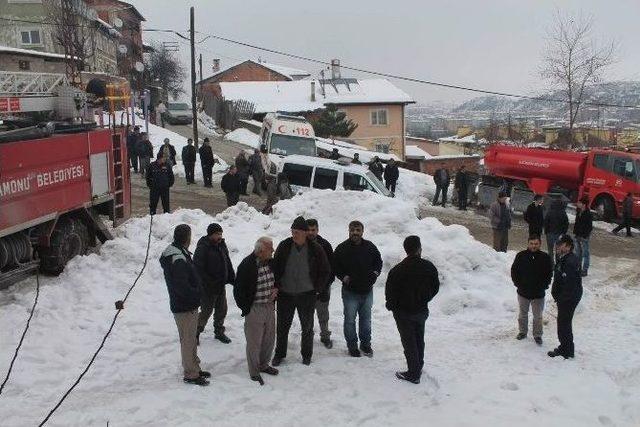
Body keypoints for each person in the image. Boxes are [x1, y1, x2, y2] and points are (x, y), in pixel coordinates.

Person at [271, 216, 331, 366]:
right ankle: (280, 353)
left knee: (307, 327)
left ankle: (306, 354)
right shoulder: (284, 246)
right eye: (292, 231)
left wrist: (317, 289)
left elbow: (325, 270)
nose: (294, 234)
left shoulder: (315, 249)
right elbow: (275, 267)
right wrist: (276, 285)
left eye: (297, 232)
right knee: (283, 326)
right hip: (286, 294)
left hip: (307, 294)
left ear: (305, 233)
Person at [159, 224, 209, 386]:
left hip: (186, 305)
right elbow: (182, 287)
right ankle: (191, 374)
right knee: (188, 340)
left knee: (191, 338)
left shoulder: (178, 252)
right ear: (187, 238)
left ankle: (195, 366)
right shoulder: (177, 258)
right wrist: (196, 296)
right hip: (185, 306)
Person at [385, 236, 439, 385]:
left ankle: (413, 373)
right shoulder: (428, 267)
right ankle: (418, 366)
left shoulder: (397, 270)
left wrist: (392, 306)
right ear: (419, 248)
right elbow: (435, 287)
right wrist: (426, 298)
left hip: (403, 313)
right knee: (419, 338)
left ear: (406, 249)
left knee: (409, 342)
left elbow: (390, 292)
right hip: (421, 310)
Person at [233, 237, 279, 386]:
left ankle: (264, 364)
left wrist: (276, 289)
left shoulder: (270, 262)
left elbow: (276, 279)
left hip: (269, 306)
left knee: (269, 339)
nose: (272, 250)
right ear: (260, 251)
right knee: (254, 342)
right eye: (270, 248)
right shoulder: (247, 265)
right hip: (255, 309)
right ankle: (254, 371)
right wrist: (246, 308)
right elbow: (238, 291)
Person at [334, 220, 383, 358]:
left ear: (362, 232)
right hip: (350, 292)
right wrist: (343, 277)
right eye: (352, 230)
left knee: (366, 320)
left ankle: (366, 344)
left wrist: (375, 273)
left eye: (358, 230)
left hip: (367, 291)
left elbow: (378, 262)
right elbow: (335, 265)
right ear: (349, 231)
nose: (355, 233)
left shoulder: (370, 247)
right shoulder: (341, 248)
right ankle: (352, 346)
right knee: (350, 320)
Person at [194, 223, 235, 345]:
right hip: (208, 287)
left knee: (222, 309)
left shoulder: (221, 245)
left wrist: (232, 278)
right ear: (210, 234)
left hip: (220, 285)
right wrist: (208, 282)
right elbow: (198, 269)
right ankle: (195, 332)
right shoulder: (203, 247)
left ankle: (219, 331)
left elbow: (227, 261)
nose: (220, 236)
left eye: (221, 234)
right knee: (206, 311)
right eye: (217, 234)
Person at [511, 235, 553, 345]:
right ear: (528, 243)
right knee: (522, 314)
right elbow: (514, 271)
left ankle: (538, 335)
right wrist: (518, 284)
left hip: (538, 294)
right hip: (523, 292)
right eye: (531, 243)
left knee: (538, 316)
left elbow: (549, 273)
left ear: (540, 244)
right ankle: (522, 332)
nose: (533, 246)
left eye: (536, 244)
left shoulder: (545, 257)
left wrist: (544, 285)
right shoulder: (521, 256)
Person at [548, 234, 583, 359]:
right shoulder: (564, 258)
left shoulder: (570, 262)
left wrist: (562, 299)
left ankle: (566, 350)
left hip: (568, 299)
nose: (557, 246)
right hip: (566, 297)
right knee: (563, 323)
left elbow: (570, 284)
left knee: (564, 324)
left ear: (568, 246)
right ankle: (565, 347)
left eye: (560, 244)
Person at [306, 218, 335, 349]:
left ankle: (325, 336)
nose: (311, 232)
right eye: (308, 230)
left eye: (313, 230)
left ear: (318, 230)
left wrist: (326, 284)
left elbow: (332, 267)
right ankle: (308, 337)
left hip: (322, 287)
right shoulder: (301, 244)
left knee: (323, 314)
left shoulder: (325, 245)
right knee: (307, 314)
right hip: (305, 288)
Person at [146, 151, 174, 215]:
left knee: (166, 204)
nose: (164, 159)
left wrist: (168, 184)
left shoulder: (167, 165)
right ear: (159, 158)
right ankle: (152, 216)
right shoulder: (152, 165)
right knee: (153, 203)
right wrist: (151, 185)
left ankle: (167, 216)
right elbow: (148, 176)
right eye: (163, 158)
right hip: (154, 188)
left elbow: (171, 176)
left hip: (165, 188)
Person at [544, 198, 569, 266]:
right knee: (558, 250)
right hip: (559, 234)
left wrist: (546, 231)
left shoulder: (550, 212)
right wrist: (563, 233)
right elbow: (566, 224)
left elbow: (546, 222)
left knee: (550, 250)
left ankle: (551, 264)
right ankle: (558, 264)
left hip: (550, 233)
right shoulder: (563, 213)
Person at [573, 197, 593, 276]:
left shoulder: (588, 214)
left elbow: (589, 227)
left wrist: (585, 235)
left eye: (579, 203)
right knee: (578, 253)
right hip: (577, 235)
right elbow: (576, 223)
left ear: (584, 205)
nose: (578, 204)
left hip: (584, 236)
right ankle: (578, 268)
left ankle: (585, 270)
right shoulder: (578, 212)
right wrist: (575, 233)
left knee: (585, 254)